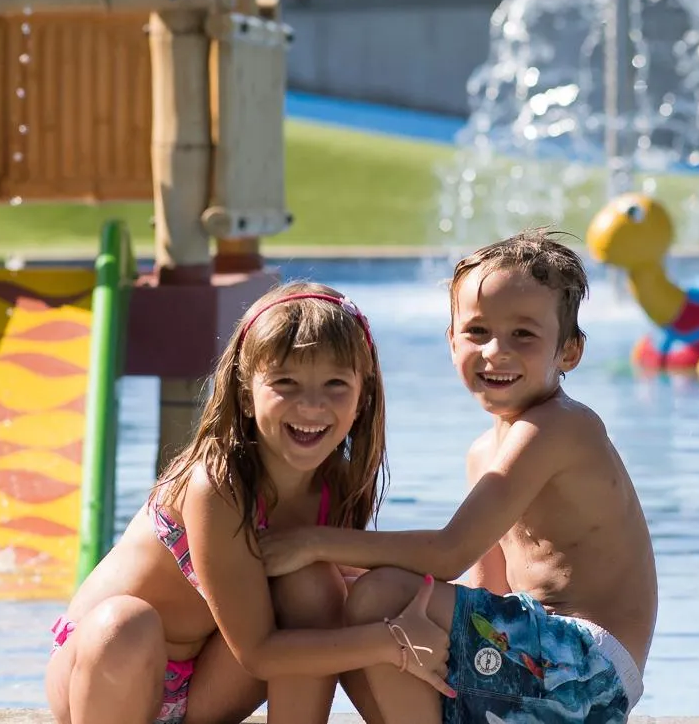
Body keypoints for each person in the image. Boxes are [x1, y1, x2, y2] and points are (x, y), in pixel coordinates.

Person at [261, 232, 657, 724]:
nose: (496, 351)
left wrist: (313, 543)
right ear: (451, 342)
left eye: (523, 335)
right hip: (533, 658)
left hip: (590, 668)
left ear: (569, 352)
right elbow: (483, 590)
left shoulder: (559, 426)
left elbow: (448, 552)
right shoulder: (484, 453)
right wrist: (339, 573)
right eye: (477, 332)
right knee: (358, 606)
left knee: (381, 596)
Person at [45, 281, 454, 724]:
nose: (312, 405)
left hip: (207, 679)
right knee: (125, 624)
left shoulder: (336, 482)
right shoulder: (216, 484)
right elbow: (259, 653)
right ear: (245, 393)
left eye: (335, 383)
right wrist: (390, 641)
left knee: (315, 586)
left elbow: (366, 581)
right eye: (285, 382)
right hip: (106, 671)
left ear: (363, 395)